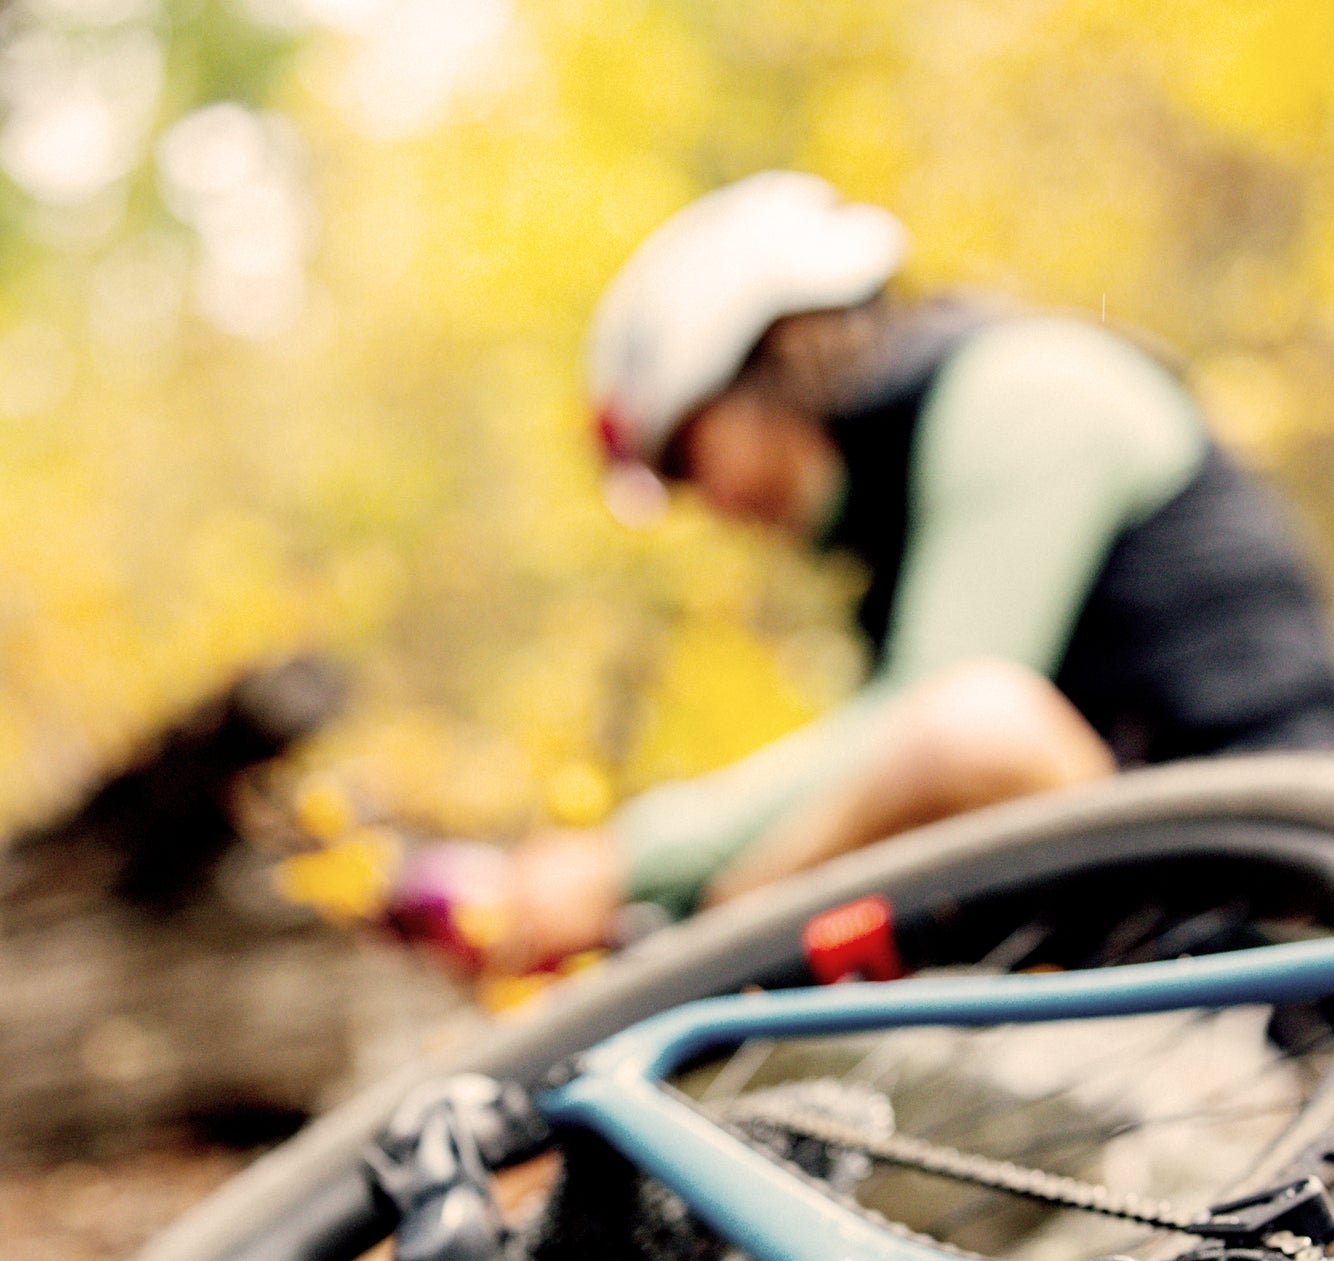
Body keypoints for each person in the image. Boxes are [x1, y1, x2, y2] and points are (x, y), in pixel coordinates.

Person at [391, 172, 1334, 975]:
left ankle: (710, 967)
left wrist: (626, 862)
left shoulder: (1025, 392)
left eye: (689, 457)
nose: (706, 503)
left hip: (1288, 859)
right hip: (1196, 879)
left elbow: (947, 721)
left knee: (967, 731)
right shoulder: (908, 492)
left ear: (769, 361)